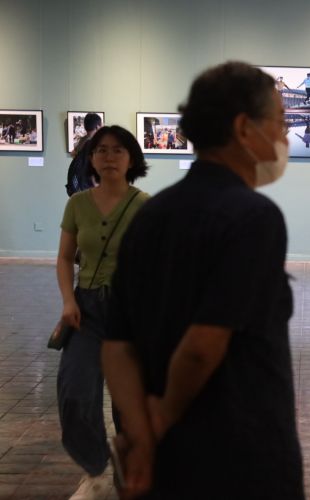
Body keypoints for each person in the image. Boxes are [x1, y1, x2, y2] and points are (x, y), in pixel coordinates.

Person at [101, 61, 304, 499]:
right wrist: (163, 416)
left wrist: (141, 432)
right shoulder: (254, 218)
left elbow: (116, 345)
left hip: (167, 460)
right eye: (281, 123)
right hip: (238, 454)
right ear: (243, 128)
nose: (285, 137)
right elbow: (202, 346)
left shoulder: (150, 215)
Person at [56, 125, 150, 500]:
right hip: (87, 309)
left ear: (131, 159)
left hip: (131, 312)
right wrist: (68, 301)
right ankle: (95, 469)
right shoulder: (77, 204)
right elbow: (65, 258)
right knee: (75, 393)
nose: (108, 157)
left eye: (117, 150)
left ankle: (128, 477)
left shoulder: (144, 204)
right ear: (90, 159)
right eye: (101, 151)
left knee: (129, 405)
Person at [66, 113, 103, 196]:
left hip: (78, 188)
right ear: (98, 127)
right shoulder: (94, 143)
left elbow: (73, 154)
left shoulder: (82, 140)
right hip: (89, 189)